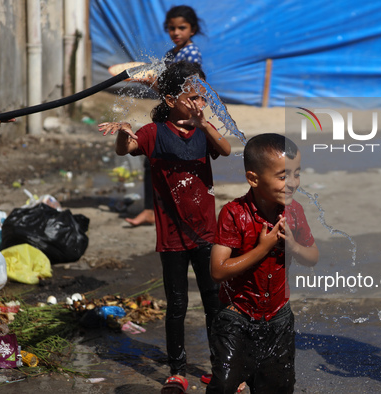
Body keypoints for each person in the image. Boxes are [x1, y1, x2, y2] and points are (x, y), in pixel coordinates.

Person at [99, 61, 231, 394]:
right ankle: (177, 371)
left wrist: (204, 124)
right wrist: (124, 129)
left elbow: (227, 149)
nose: (200, 104)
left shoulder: (204, 132)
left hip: (207, 235)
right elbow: (125, 147)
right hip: (172, 238)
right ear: (170, 100)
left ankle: (221, 369)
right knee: (177, 305)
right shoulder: (154, 133)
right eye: (193, 98)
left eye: (204, 98)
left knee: (214, 303)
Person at [208, 133, 319, 394]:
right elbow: (217, 270)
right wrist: (263, 248)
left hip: (278, 318)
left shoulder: (294, 213)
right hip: (236, 316)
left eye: (296, 174)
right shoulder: (234, 214)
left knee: (277, 388)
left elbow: (313, 257)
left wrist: (292, 247)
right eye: (282, 176)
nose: (292, 183)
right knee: (223, 385)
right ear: (253, 179)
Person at [127, 5, 204, 227]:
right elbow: (168, 90)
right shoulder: (171, 54)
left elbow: (185, 91)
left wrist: (151, 81)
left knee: (179, 161)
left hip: (182, 116)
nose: (176, 32)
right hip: (168, 113)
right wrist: (150, 81)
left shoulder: (191, 54)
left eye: (182, 27)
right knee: (156, 158)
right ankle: (154, 210)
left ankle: (175, 210)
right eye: (171, 28)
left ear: (193, 29)